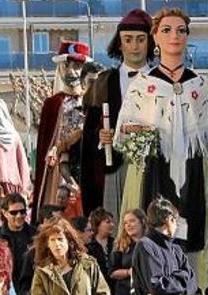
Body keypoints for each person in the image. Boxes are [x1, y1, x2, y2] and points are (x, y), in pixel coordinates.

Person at [114, 8, 208, 288]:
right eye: (166, 30)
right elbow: (124, 129)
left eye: (181, 30)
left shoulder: (201, 83)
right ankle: (150, 286)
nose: (174, 36)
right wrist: (147, 132)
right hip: (153, 165)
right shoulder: (142, 84)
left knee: (200, 230)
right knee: (150, 225)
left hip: (195, 167)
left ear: (188, 37)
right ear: (155, 37)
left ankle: (199, 290)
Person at [82, 8, 154, 219]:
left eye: (141, 39)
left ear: (149, 43)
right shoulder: (103, 82)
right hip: (114, 169)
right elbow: (89, 135)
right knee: (116, 230)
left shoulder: (162, 81)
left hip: (153, 169)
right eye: (128, 39)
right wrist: (99, 137)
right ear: (119, 43)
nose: (134, 46)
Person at [131, 198, 198, 295]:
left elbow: (193, 282)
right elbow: (157, 285)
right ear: (169, 220)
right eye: (176, 220)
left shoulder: (175, 249)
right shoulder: (146, 246)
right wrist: (183, 276)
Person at [35, 40, 92, 221]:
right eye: (66, 65)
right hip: (58, 171)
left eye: (77, 65)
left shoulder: (92, 101)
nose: (71, 71)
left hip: (85, 164)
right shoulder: (52, 104)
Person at [0, 193, 38, 295]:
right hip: (6, 294)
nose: (19, 216)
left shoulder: (36, 235)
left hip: (32, 293)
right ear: (5, 213)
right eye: (14, 212)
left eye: (22, 212)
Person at [86, 207, 116, 291]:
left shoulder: (116, 243)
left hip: (115, 288)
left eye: (112, 222)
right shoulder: (89, 246)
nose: (112, 225)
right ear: (98, 224)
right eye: (108, 222)